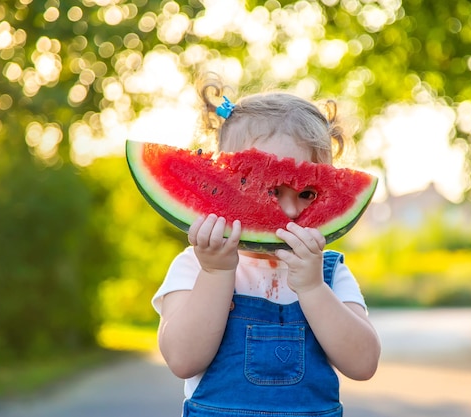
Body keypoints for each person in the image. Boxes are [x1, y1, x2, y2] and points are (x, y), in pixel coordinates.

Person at [152, 78, 381, 417]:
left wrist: (313, 287)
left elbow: (363, 363)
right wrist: (216, 272)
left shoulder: (329, 272)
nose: (288, 212)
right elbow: (182, 360)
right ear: (225, 181)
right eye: (271, 191)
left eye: (307, 193)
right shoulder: (195, 266)